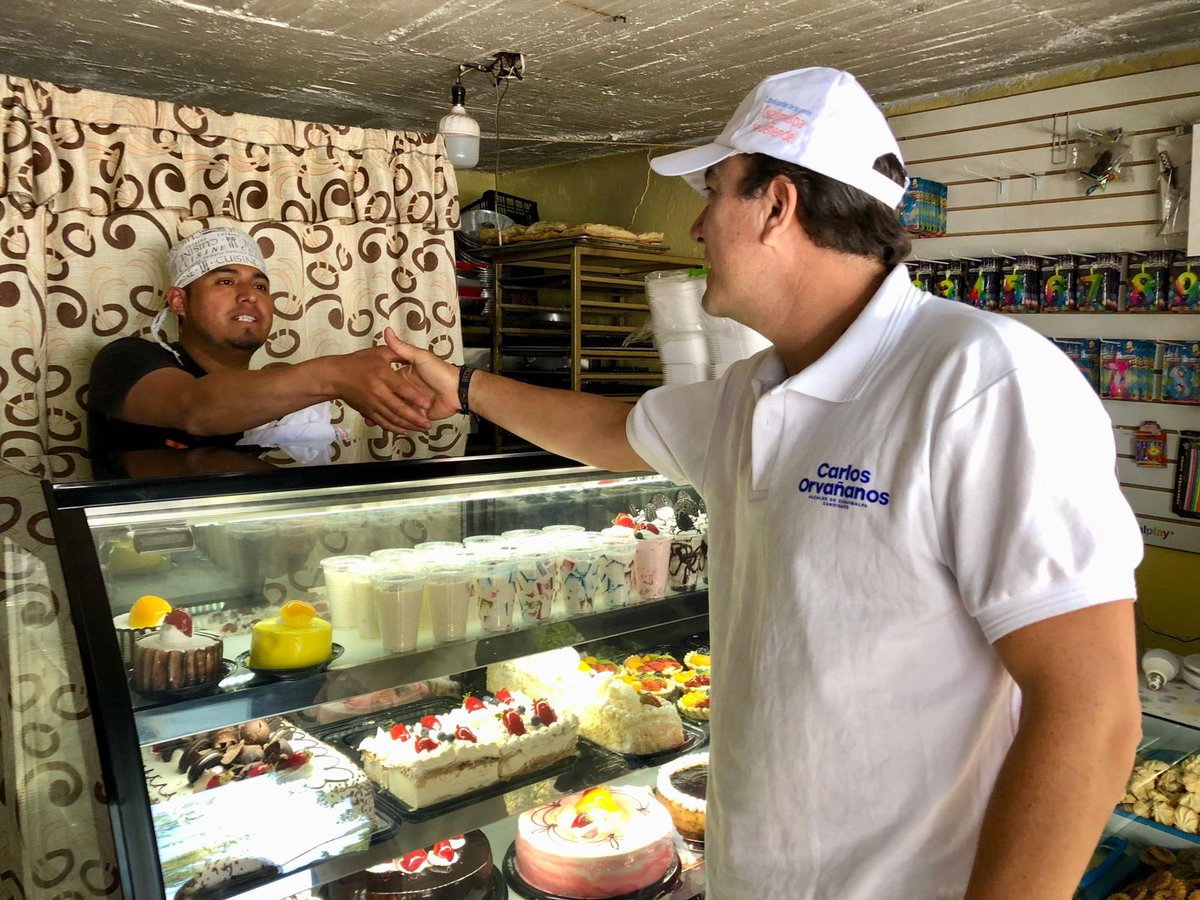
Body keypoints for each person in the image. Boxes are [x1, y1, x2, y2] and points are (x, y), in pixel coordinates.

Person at [381, 68, 1143, 898]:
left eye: (714, 194)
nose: (701, 226)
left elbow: (1091, 715)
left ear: (777, 206)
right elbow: (609, 428)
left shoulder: (981, 380)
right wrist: (460, 386)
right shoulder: (751, 391)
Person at [88, 227, 427, 466]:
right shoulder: (126, 358)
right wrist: (333, 376)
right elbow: (196, 408)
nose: (250, 295)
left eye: (261, 286)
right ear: (179, 301)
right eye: (225, 281)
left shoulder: (272, 391)